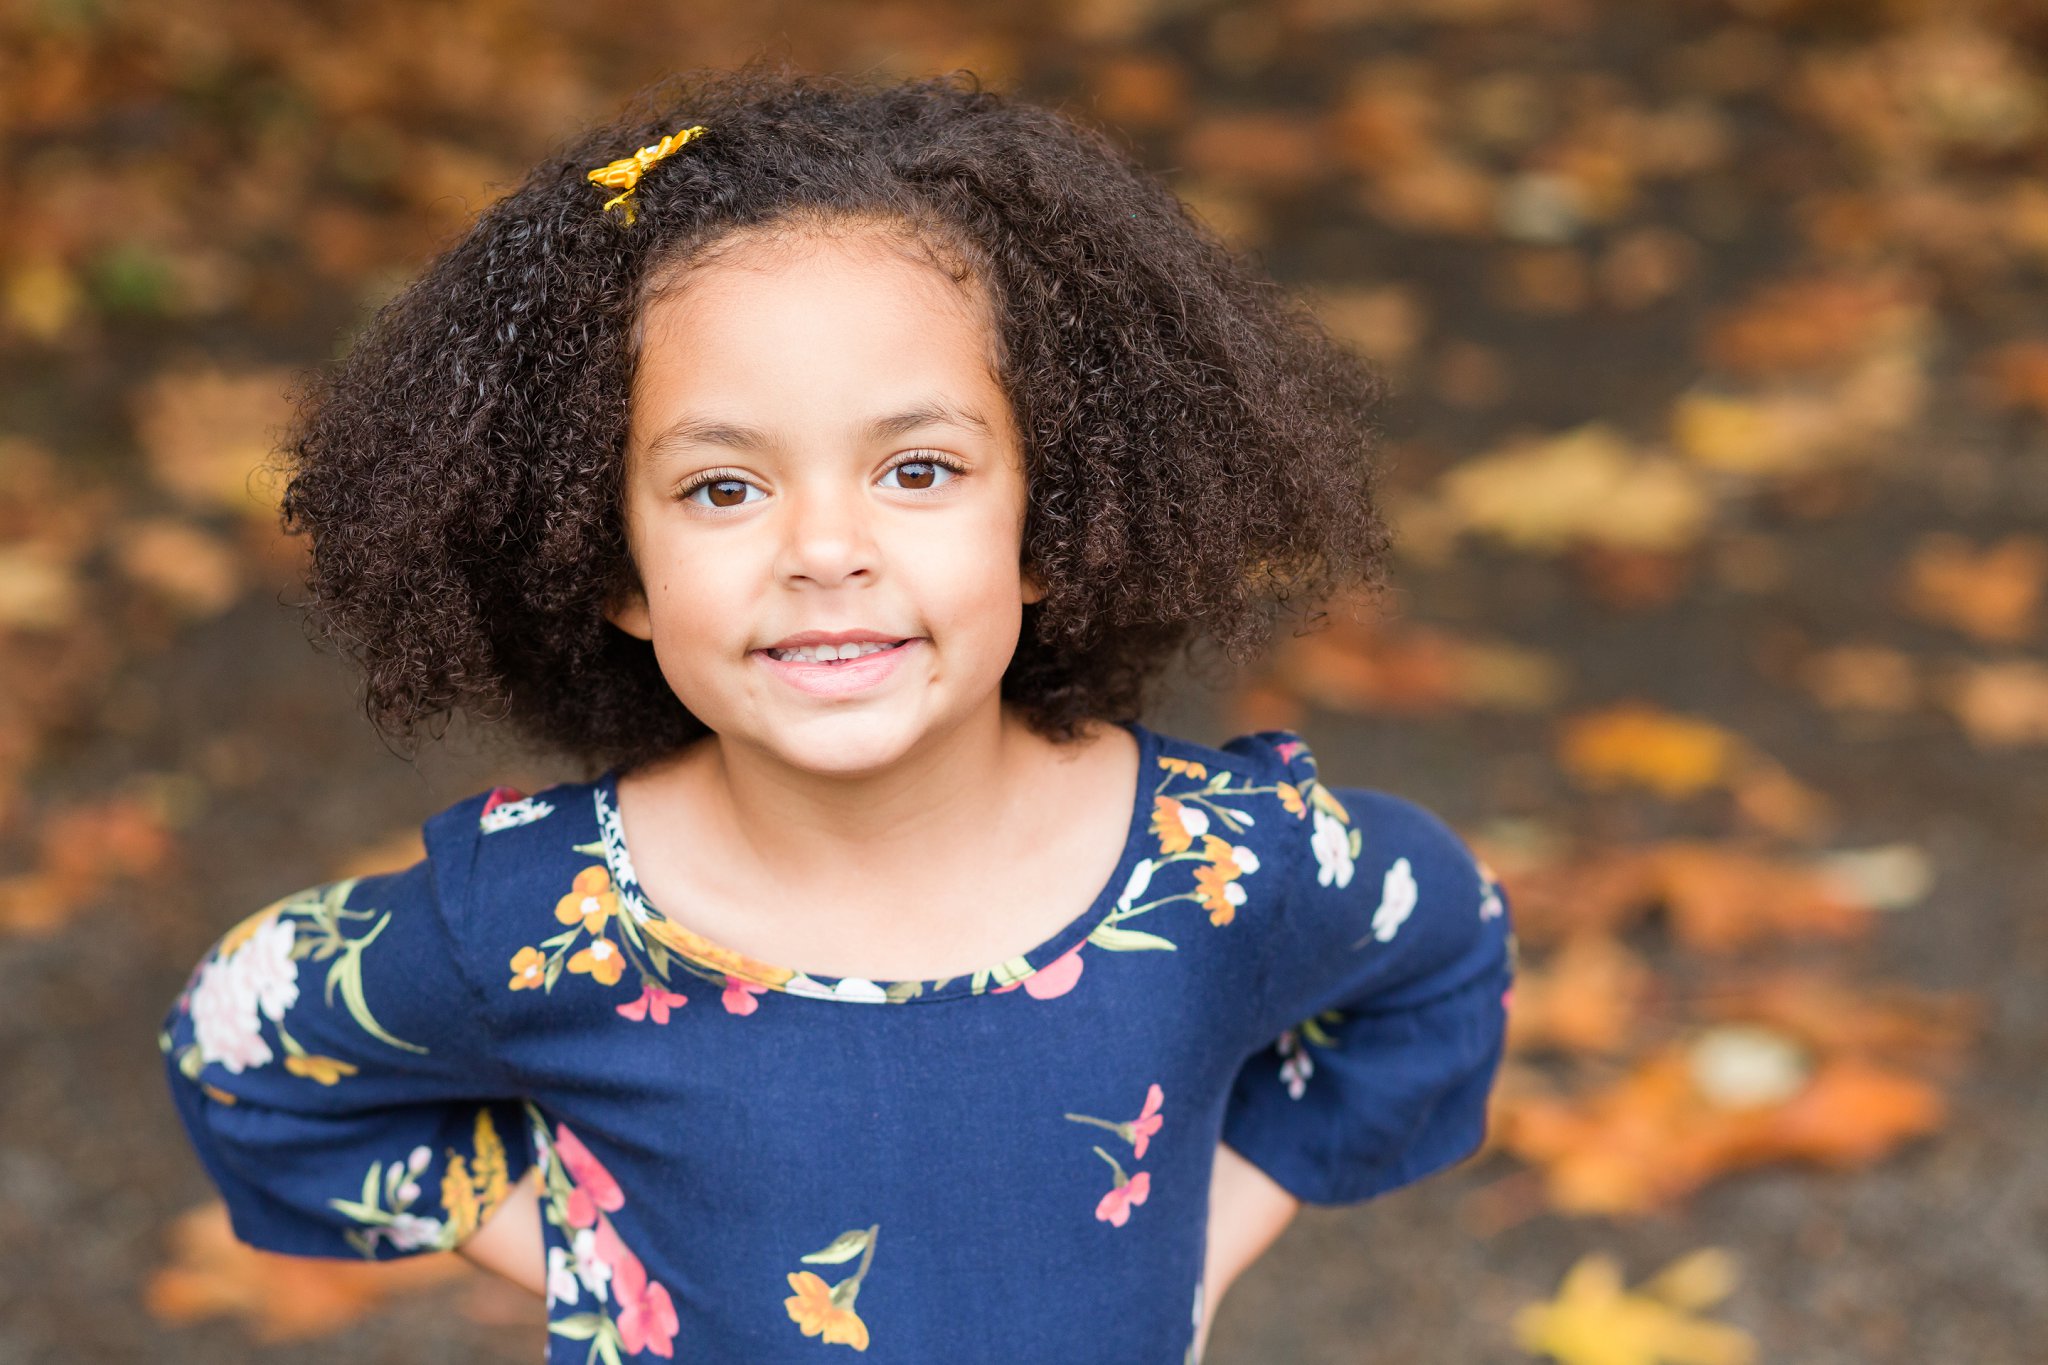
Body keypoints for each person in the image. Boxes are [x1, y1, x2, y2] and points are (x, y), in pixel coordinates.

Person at [157, 60, 1517, 1363]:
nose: (825, 547)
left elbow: (1442, 957)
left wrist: (1203, 1235)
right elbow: (246, 1046)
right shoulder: (541, 918)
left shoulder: (1222, 872)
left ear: (1054, 519)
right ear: (609, 563)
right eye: (723, 489)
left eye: (918, 469)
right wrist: (593, 1263)